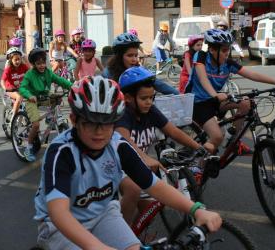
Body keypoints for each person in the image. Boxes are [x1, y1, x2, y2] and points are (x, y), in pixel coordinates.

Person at [34, 75, 222, 250]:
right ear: (74, 120)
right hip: (59, 225)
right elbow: (59, 213)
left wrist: (196, 210)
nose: (99, 132)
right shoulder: (61, 151)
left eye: (107, 123)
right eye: (90, 123)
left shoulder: (117, 144)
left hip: (103, 213)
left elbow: (153, 185)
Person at [115, 66, 213, 223]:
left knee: (148, 211)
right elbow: (123, 140)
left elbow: (173, 131)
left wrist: (200, 148)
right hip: (118, 166)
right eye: (143, 98)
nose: (148, 102)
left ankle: (137, 236)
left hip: (138, 166)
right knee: (133, 190)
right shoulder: (123, 113)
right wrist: (145, 158)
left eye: (151, 97)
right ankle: (120, 239)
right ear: (127, 98)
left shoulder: (150, 110)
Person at [185, 29, 275, 154]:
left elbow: (252, 74)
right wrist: (215, 95)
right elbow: (203, 78)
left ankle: (232, 140)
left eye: (228, 50)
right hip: (197, 102)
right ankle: (197, 169)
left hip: (215, 100)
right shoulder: (201, 56)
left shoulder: (227, 64)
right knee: (217, 137)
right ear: (212, 50)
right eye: (224, 50)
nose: (227, 53)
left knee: (246, 103)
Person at [19, 48, 73, 162]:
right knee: (36, 125)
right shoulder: (29, 74)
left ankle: (51, 118)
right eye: (38, 63)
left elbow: (60, 80)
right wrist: (29, 95)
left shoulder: (48, 72)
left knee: (57, 98)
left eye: (43, 62)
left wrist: (73, 86)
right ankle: (28, 147)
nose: (42, 65)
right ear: (33, 64)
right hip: (32, 99)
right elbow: (22, 87)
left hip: (44, 96)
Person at [103, 33, 179, 95]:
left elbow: (159, 84)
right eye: (130, 55)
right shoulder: (108, 73)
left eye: (136, 55)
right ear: (119, 57)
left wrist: (179, 94)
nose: (135, 59)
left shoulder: (140, 70)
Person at [0, 47, 30, 119]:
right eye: (15, 60)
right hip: (11, 89)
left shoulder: (23, 66)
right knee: (19, 98)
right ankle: (13, 117)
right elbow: (2, 81)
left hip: (20, 88)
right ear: (11, 60)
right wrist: (5, 89)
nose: (18, 61)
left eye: (19, 59)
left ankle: (24, 116)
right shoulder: (8, 69)